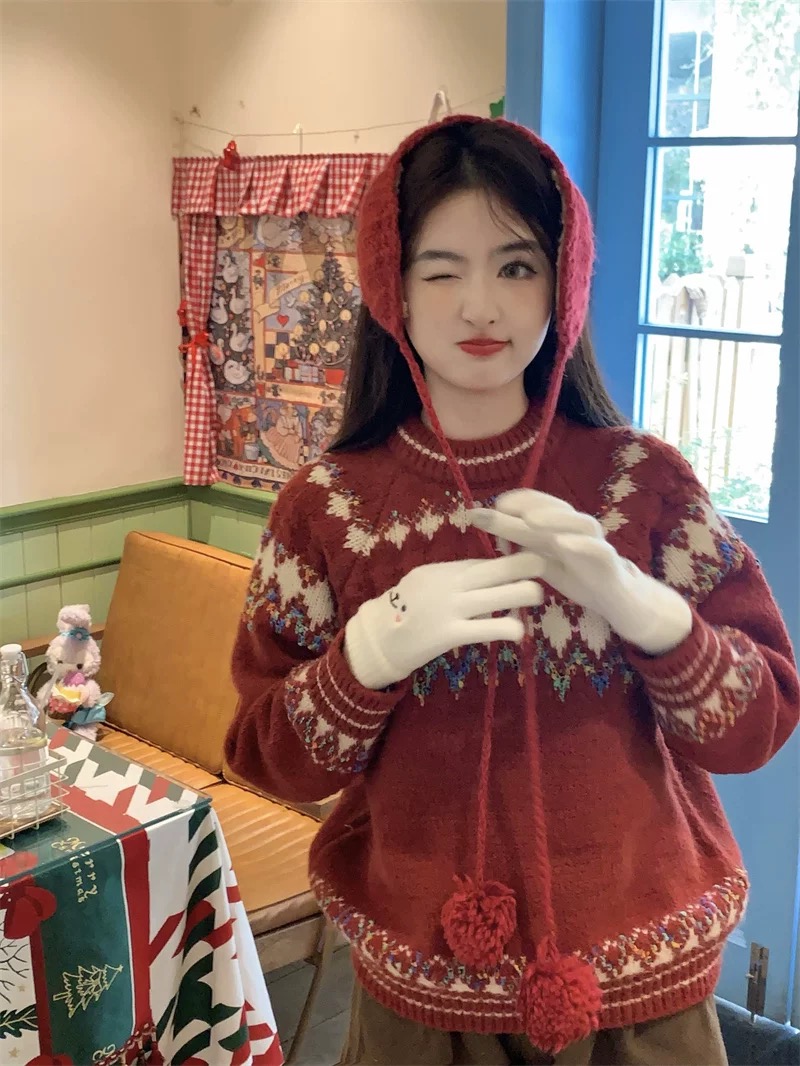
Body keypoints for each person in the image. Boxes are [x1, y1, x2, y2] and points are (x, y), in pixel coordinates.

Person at [225, 116, 799, 1065]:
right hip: (421, 999)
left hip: (643, 997)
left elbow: (758, 724)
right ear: (391, 288)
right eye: (440, 270)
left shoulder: (644, 482)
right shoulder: (327, 507)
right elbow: (266, 755)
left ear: (563, 284)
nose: (480, 306)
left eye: (517, 266)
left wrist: (647, 612)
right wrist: (368, 654)